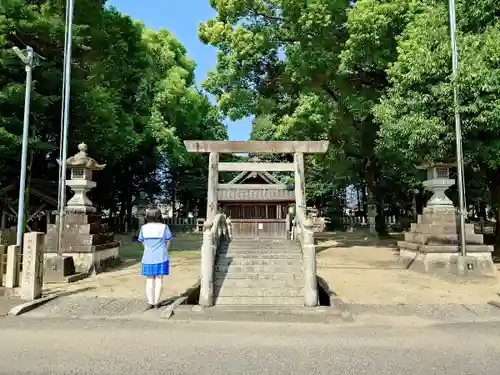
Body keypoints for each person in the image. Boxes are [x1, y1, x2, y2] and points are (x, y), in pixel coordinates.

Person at [138, 208, 172, 309]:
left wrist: (148, 249)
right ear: (159, 216)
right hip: (161, 256)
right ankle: (157, 302)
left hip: (148, 257)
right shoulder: (164, 227)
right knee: (159, 279)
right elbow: (168, 240)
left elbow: (142, 241)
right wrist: (165, 250)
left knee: (149, 280)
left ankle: (150, 302)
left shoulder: (144, 228)